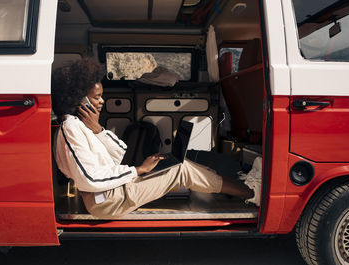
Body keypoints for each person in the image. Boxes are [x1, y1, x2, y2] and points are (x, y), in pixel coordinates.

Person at [52, 57, 261, 219]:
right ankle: (251, 193)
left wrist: (98, 129)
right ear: (79, 98)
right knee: (181, 169)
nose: (102, 101)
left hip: (112, 191)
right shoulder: (71, 127)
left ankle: (238, 185)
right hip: (107, 201)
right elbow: (91, 178)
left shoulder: (83, 126)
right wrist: (138, 170)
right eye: (97, 97)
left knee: (178, 161)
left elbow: (119, 153)